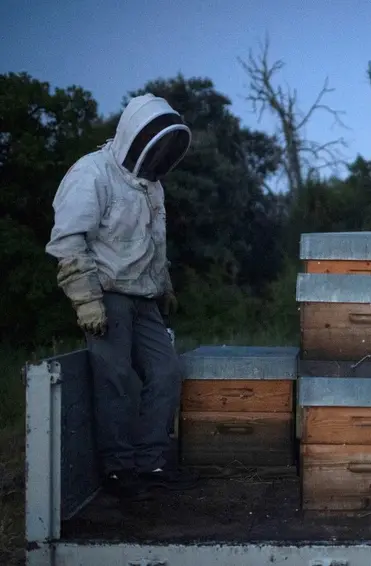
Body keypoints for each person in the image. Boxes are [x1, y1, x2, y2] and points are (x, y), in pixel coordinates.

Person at [46, 93, 198, 501]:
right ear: (134, 134)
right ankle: (118, 469)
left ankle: (152, 461)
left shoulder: (152, 186)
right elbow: (68, 241)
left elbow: (153, 242)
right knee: (113, 380)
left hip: (145, 298)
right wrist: (86, 300)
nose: (160, 155)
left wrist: (164, 284)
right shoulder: (91, 173)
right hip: (107, 296)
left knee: (166, 373)